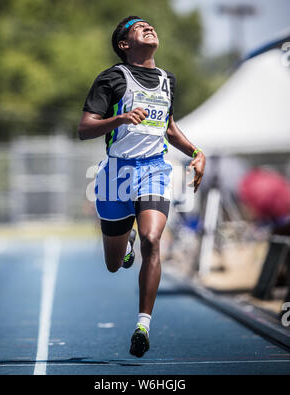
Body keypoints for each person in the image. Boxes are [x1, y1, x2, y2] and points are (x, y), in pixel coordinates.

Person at [78, 16, 206, 357]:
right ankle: (127, 238)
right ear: (124, 44)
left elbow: (169, 127)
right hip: (116, 176)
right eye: (139, 27)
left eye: (151, 25)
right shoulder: (112, 79)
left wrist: (195, 152)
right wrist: (118, 118)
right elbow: (85, 128)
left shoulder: (167, 80)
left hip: (153, 170)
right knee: (113, 262)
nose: (149, 28)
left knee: (153, 239)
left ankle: (142, 325)